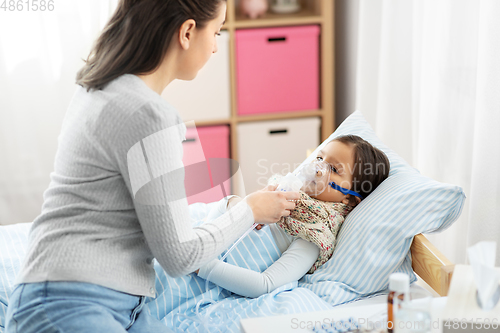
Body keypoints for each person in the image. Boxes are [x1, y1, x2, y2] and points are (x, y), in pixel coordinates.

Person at [4, 1, 299, 332]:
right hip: (68, 300)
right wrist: (249, 210)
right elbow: (179, 255)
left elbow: (159, 219)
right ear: (188, 32)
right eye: (216, 32)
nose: (216, 47)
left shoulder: (100, 88)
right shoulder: (147, 114)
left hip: (114, 302)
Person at [195, 135, 390, 298]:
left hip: (198, 280)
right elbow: (223, 207)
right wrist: (247, 207)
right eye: (320, 158)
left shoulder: (314, 233)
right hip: (197, 246)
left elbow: (265, 285)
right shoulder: (274, 195)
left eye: (333, 169)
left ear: (350, 198)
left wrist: (201, 265)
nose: (318, 167)